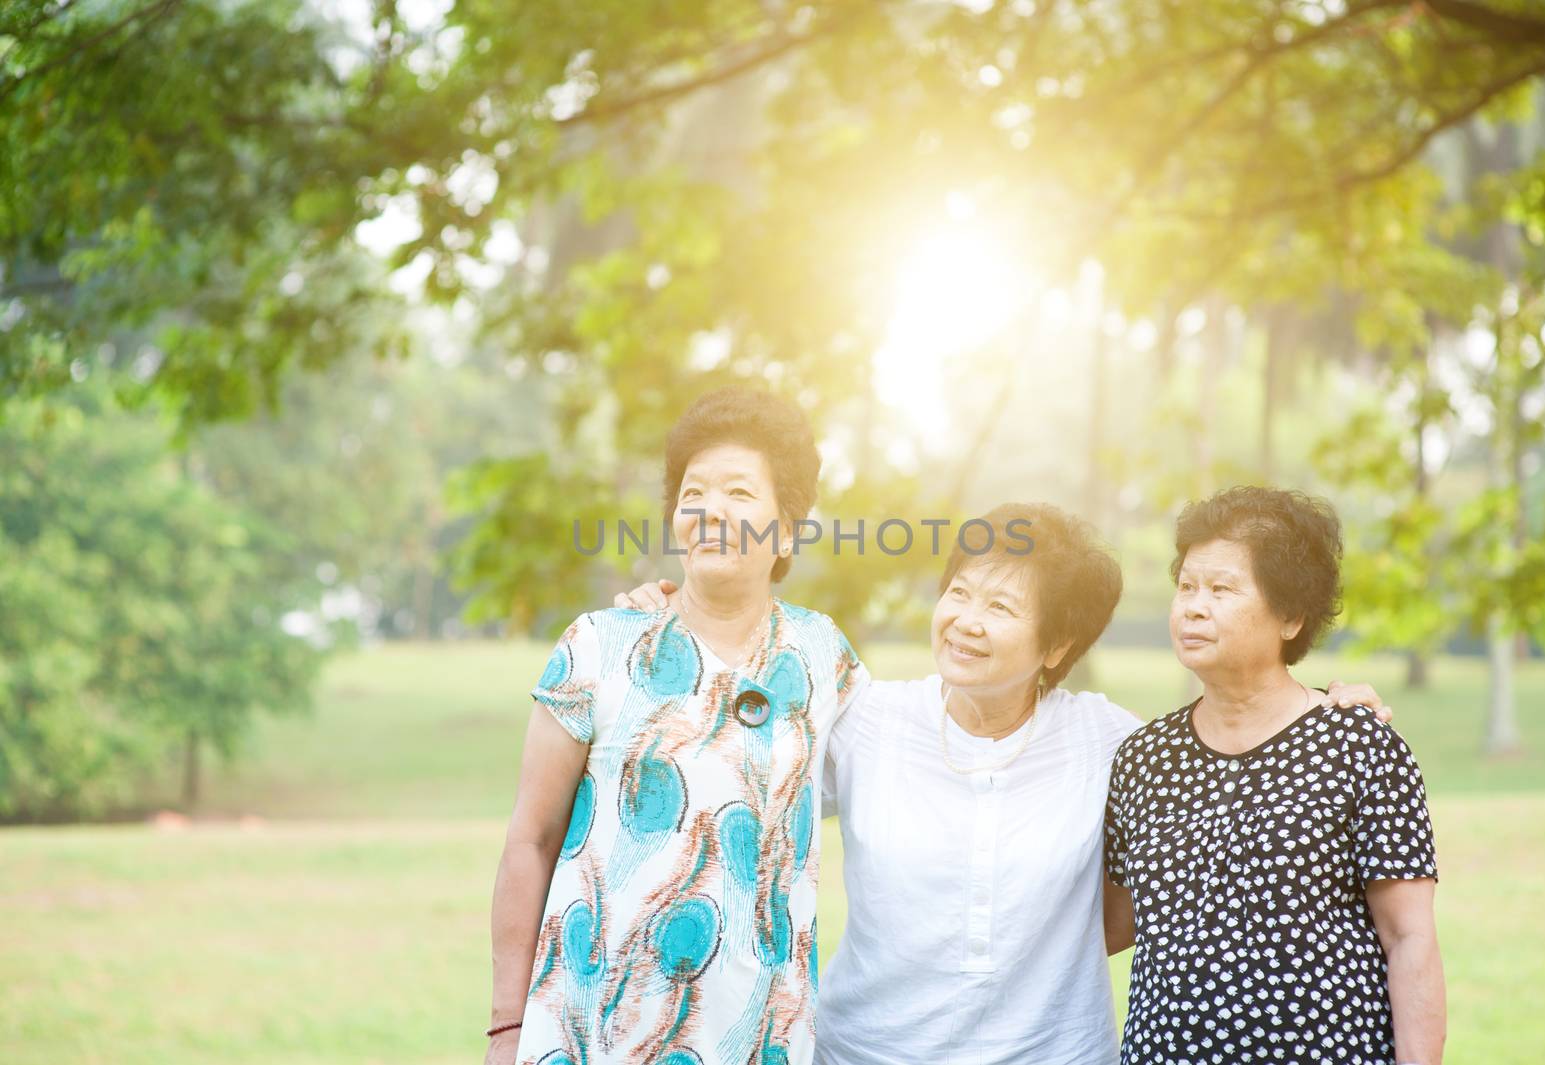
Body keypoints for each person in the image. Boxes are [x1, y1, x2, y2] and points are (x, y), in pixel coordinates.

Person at [618, 502, 1391, 1064]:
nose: (965, 620)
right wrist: (673, 623)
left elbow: (1232, 751)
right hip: (867, 1052)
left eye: (1000, 606)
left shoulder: (1112, 741)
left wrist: (1328, 707)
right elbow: (728, 773)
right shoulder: (866, 717)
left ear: (1057, 642)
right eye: (959, 593)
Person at [485, 387, 870, 1065]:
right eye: (694, 493)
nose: (711, 509)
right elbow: (531, 837)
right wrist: (506, 1027)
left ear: (785, 528)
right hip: (593, 1032)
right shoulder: (599, 646)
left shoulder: (824, 658)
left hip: (761, 1037)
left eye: (740, 492)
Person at [1103, 486, 1445, 1065]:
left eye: (1221, 589)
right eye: (1185, 586)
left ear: (1290, 616)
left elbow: (1408, 939)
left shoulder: (1358, 745)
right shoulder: (1142, 758)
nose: (1192, 606)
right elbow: (1114, 923)